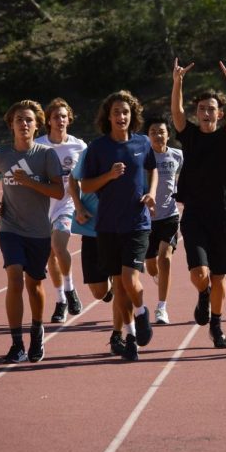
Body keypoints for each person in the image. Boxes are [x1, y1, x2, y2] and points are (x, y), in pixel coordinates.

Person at [0, 99, 64, 364]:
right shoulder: (0, 154)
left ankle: (37, 331)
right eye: (19, 120)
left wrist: (30, 182)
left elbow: (58, 191)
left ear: (37, 125)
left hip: (38, 230)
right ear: (11, 125)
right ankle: (16, 343)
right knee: (15, 278)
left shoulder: (45, 155)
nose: (24, 124)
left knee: (35, 284)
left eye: (29, 120)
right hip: (10, 228)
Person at [81, 90, 157, 362]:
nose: (121, 117)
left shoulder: (142, 143)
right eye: (116, 112)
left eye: (125, 112)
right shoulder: (98, 148)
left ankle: (141, 312)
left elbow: (153, 168)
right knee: (119, 286)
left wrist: (151, 193)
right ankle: (131, 337)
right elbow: (86, 185)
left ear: (132, 115)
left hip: (137, 223)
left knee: (130, 280)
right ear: (108, 117)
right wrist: (109, 176)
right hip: (108, 226)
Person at [171, 59, 226, 349]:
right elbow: (176, 113)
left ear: (219, 113)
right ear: (197, 113)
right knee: (200, 274)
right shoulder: (189, 135)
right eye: (202, 109)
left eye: (212, 109)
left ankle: (217, 325)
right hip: (195, 213)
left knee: (220, 275)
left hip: (222, 214)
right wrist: (177, 83)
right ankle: (203, 294)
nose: (206, 112)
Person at [68, 150, 126, 356]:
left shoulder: (134, 148)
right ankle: (107, 287)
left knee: (122, 284)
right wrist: (78, 205)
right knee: (99, 292)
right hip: (93, 228)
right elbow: (73, 179)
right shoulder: (93, 151)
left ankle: (117, 335)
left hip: (121, 228)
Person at [36, 98, 87, 323]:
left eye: (64, 116)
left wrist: (83, 204)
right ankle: (60, 301)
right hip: (41, 207)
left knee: (59, 246)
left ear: (70, 119)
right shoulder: (37, 145)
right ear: (48, 120)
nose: (60, 120)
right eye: (56, 116)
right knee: (49, 255)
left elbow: (87, 176)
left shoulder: (79, 146)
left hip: (66, 204)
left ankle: (70, 289)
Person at [143, 115, 183, 325]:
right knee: (151, 265)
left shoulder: (177, 156)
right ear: (147, 136)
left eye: (161, 132)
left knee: (165, 258)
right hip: (147, 219)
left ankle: (161, 308)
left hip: (169, 215)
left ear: (168, 134)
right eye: (153, 132)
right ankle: (157, 277)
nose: (158, 136)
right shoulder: (143, 158)